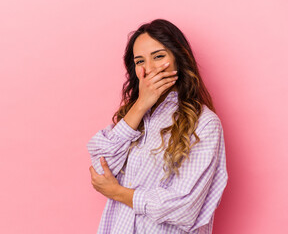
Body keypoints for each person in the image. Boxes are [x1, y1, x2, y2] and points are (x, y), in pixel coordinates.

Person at [87, 19, 228, 234]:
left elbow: (185, 208)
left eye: (159, 56)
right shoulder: (133, 116)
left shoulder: (204, 123)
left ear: (179, 59)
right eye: (140, 61)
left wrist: (118, 193)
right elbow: (100, 168)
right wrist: (141, 104)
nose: (149, 69)